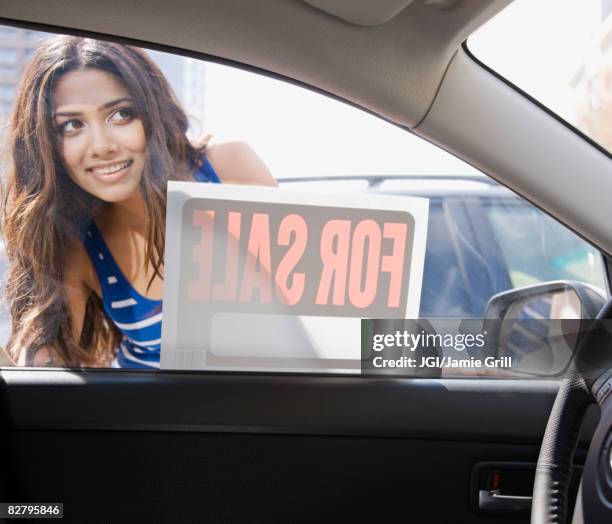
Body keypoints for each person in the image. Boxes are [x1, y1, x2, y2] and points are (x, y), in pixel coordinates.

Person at [1, 35, 276, 368]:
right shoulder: (79, 244)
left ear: (152, 113)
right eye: (73, 125)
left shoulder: (228, 168)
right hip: (145, 413)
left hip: (258, 408)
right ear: (48, 145)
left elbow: (316, 304)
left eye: (121, 115)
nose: (101, 146)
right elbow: (48, 366)